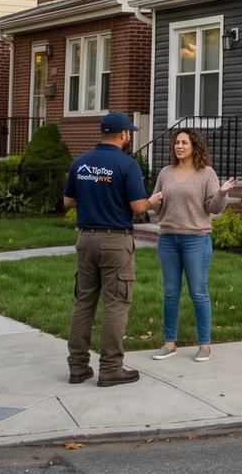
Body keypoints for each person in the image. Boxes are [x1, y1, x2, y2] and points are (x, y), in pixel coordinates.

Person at [62, 111, 150, 387]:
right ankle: (111, 368)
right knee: (116, 303)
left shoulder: (81, 163)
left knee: (84, 301)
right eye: (129, 133)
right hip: (115, 241)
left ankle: (78, 367)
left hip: (85, 240)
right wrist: (155, 199)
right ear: (123, 134)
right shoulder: (127, 165)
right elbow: (138, 207)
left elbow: (68, 201)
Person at [147, 128, 237, 362]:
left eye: (184, 143)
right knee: (170, 293)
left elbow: (213, 208)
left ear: (194, 146)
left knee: (198, 292)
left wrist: (222, 193)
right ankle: (169, 343)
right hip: (168, 239)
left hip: (196, 240)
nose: (179, 146)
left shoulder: (206, 173)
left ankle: (204, 345)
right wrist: (151, 201)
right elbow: (156, 205)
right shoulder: (165, 173)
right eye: (177, 143)